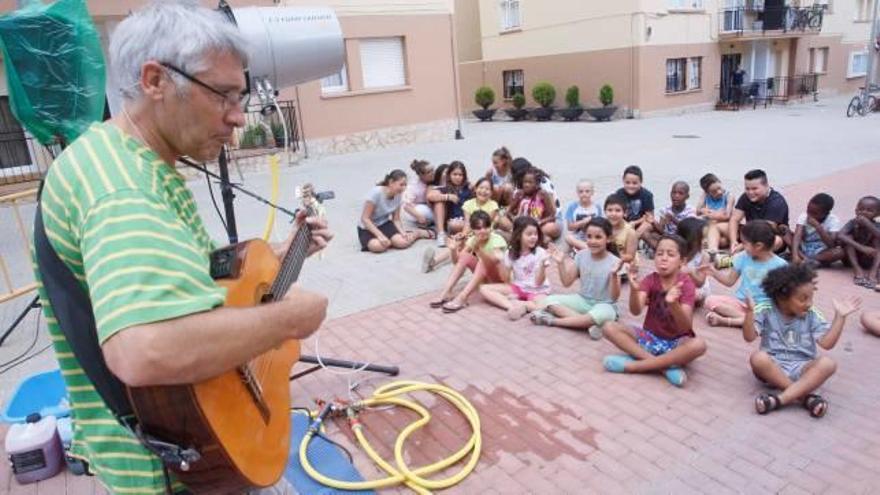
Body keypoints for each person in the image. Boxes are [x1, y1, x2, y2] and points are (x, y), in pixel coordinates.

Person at [31, 3, 331, 493]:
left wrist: (284, 253)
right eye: (225, 96)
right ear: (155, 81)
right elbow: (144, 350)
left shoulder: (124, 156)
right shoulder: (123, 190)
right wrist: (287, 321)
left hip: (187, 441)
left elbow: (181, 280)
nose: (238, 117)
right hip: (173, 465)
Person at [745, 264, 861, 418]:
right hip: (772, 368)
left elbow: (827, 344)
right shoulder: (765, 309)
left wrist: (840, 317)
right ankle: (804, 397)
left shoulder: (812, 314)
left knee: (828, 363)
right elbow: (749, 337)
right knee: (758, 358)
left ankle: (779, 399)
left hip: (803, 368)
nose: (809, 303)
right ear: (782, 298)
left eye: (811, 298)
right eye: (803, 299)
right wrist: (750, 313)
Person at [602, 235, 707, 387]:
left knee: (699, 345)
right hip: (650, 338)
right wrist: (633, 290)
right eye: (659, 253)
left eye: (670, 255)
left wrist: (673, 304)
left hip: (676, 343)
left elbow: (685, 327)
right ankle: (663, 367)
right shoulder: (650, 279)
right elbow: (636, 310)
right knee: (608, 327)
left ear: (682, 261)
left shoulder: (686, 284)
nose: (664, 258)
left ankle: (634, 366)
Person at [530, 218, 622, 340]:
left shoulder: (615, 262)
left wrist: (614, 275)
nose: (592, 241)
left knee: (600, 314)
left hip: (605, 305)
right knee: (550, 301)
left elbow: (614, 297)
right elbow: (567, 283)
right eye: (589, 236)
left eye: (598, 237)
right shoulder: (581, 255)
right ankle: (588, 324)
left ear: (608, 239)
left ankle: (552, 321)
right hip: (582, 301)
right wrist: (561, 263)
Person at [704, 220, 788, 328]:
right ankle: (749, 320)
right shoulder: (743, 257)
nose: (741, 246)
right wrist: (713, 272)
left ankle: (726, 321)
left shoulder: (781, 265)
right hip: (740, 304)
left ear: (758, 246)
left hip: (763, 308)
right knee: (710, 300)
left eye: (744, 243)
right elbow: (729, 281)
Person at [429, 211, 507, 313]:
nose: (483, 231)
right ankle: (446, 292)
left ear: (490, 227)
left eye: (486, 227)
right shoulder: (473, 240)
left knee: (484, 261)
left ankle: (463, 297)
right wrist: (453, 250)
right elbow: (458, 261)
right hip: (484, 278)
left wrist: (480, 250)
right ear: (472, 229)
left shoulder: (497, 240)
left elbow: (496, 258)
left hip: (500, 281)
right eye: (478, 228)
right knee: (465, 256)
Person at [479, 216, 550, 320]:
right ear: (518, 235)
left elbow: (539, 283)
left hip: (536, 290)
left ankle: (522, 304)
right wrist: (502, 261)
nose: (534, 237)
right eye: (529, 234)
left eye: (535, 234)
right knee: (483, 288)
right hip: (518, 288)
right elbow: (506, 279)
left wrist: (543, 266)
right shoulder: (510, 253)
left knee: (544, 307)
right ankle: (511, 306)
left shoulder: (541, 253)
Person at [422, 177, 498, 273]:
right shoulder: (468, 204)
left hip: (485, 236)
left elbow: (485, 225)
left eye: (487, 189)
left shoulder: (493, 205)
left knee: (464, 245)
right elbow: (467, 223)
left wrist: (469, 236)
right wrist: (463, 234)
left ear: (491, 192)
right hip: (472, 234)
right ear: (475, 189)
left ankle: (457, 261)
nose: (483, 191)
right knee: (458, 242)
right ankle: (433, 262)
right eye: (481, 188)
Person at [359, 170, 431, 253]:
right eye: (401, 185)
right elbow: (365, 219)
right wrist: (380, 235)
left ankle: (418, 233)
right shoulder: (376, 193)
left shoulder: (398, 195)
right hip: (367, 227)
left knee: (403, 243)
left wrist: (403, 232)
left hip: (384, 224)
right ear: (391, 182)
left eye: (405, 185)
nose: (403, 188)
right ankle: (387, 240)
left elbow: (396, 219)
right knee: (378, 247)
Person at [729, 169, 790, 254]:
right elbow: (734, 219)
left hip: (769, 236)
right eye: (747, 188)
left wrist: (743, 245)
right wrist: (733, 241)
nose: (750, 192)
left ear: (766, 186)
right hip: (749, 234)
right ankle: (715, 249)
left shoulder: (777, 202)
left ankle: (741, 258)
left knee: (776, 241)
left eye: (755, 189)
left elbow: (764, 231)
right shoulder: (745, 197)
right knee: (721, 226)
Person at [836, 195, 880, 289]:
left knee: (877, 240)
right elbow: (840, 235)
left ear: (878, 214)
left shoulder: (877, 225)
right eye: (861, 209)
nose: (864, 212)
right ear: (856, 211)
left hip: (870, 259)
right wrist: (862, 248)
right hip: (852, 259)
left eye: (869, 210)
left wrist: (868, 224)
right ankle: (857, 270)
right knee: (848, 237)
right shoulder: (853, 223)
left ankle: (874, 272)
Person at [791, 193, 844, 269]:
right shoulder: (804, 216)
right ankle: (803, 259)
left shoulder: (833, 220)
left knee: (839, 252)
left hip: (821, 251)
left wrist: (818, 227)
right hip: (803, 248)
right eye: (808, 211)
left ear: (826, 213)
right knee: (786, 233)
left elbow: (831, 244)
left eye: (814, 213)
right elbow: (797, 236)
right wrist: (795, 255)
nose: (810, 215)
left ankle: (808, 260)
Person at [508, 167, 560, 242]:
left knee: (553, 228)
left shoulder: (543, 194)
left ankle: (525, 236)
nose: (526, 185)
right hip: (521, 224)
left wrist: (540, 222)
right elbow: (508, 211)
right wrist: (514, 219)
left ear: (537, 184)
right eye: (525, 182)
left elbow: (552, 216)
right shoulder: (520, 194)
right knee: (500, 220)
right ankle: (528, 236)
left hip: (537, 225)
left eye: (530, 182)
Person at [428, 160, 471, 248]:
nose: (457, 177)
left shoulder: (468, 187)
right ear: (449, 175)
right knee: (439, 202)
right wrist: (448, 196)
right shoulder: (446, 188)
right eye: (455, 174)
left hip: (466, 220)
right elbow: (430, 196)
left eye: (460, 175)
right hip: (451, 221)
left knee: (459, 225)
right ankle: (441, 234)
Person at [645, 181, 696, 249]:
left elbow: (688, 229)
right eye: (674, 192)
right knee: (647, 234)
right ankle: (664, 250)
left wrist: (673, 219)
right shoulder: (665, 210)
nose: (676, 196)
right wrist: (653, 222)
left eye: (680, 193)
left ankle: (665, 250)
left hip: (682, 239)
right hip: (668, 237)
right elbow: (661, 230)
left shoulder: (690, 210)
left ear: (687, 196)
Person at [696, 173, 734, 252]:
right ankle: (711, 245)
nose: (719, 192)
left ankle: (711, 249)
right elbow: (698, 211)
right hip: (710, 224)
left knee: (718, 238)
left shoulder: (729, 196)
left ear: (720, 183)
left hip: (723, 225)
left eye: (719, 188)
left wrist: (710, 214)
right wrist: (705, 210)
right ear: (707, 192)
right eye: (714, 191)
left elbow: (727, 216)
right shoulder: (706, 195)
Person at [615, 165, 655, 240]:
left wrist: (635, 223)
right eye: (628, 182)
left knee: (648, 224)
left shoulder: (647, 195)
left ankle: (632, 239)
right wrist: (626, 224)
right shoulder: (619, 193)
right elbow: (615, 212)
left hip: (641, 223)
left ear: (641, 182)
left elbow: (649, 217)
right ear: (623, 181)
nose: (631, 186)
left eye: (634, 183)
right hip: (624, 222)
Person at [677, 217, 711, 306]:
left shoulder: (704, 256)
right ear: (689, 240)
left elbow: (700, 283)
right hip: (678, 285)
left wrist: (691, 272)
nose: (706, 241)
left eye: (706, 237)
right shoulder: (677, 253)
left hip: (697, 287)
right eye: (702, 238)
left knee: (695, 294)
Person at [563, 179, 603, 252]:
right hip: (577, 236)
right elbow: (570, 227)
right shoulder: (572, 207)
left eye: (587, 191)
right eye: (581, 192)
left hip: (593, 236)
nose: (584, 194)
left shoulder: (597, 207)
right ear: (577, 193)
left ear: (592, 192)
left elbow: (601, 225)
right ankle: (588, 249)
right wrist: (583, 222)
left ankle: (587, 248)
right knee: (568, 237)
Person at [402, 159, 436, 230]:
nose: (433, 173)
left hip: (430, 206)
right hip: (414, 210)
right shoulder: (414, 186)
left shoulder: (435, 180)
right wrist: (419, 216)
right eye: (429, 172)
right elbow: (406, 206)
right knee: (422, 209)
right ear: (421, 175)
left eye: (433, 170)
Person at [605, 194, 638, 266]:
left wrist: (609, 258)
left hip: (624, 262)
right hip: (606, 259)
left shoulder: (630, 232)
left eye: (618, 210)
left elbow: (630, 256)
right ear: (605, 211)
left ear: (625, 213)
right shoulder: (602, 227)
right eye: (610, 210)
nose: (613, 214)